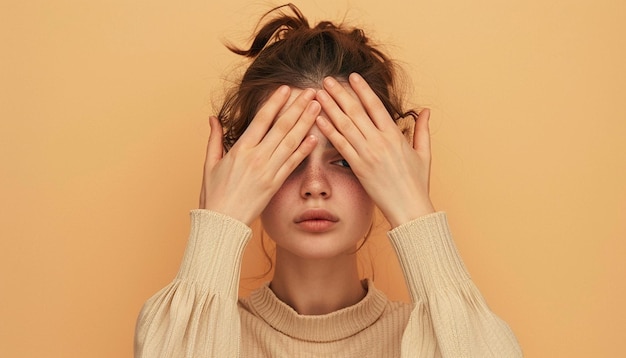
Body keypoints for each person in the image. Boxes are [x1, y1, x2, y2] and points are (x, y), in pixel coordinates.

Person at [134, 4, 522, 357]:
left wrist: (413, 209)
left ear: (387, 170)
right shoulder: (198, 332)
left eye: (346, 160)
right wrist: (219, 223)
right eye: (288, 157)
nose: (315, 185)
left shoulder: (432, 338)